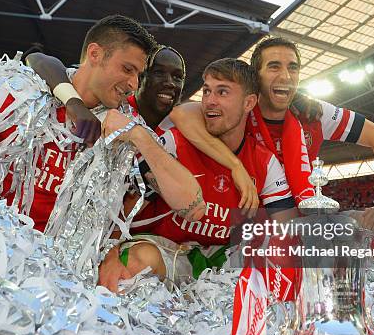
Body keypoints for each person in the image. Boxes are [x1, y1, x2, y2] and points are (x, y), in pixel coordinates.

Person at [0, 15, 202, 232]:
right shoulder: (17, 98)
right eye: (127, 69)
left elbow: (192, 206)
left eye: (138, 75)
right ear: (95, 54)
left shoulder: (123, 128)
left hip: (50, 287)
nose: (134, 84)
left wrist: (139, 137)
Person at [98, 59, 298, 292]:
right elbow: (127, 205)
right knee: (134, 265)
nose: (210, 101)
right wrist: (112, 252)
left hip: (223, 257)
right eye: (206, 91)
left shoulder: (264, 161)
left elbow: (287, 229)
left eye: (222, 92)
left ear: (249, 102)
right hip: (168, 250)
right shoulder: (174, 143)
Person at [168, 37, 374, 233]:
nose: (286, 76)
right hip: (254, 222)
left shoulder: (314, 113)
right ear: (256, 76)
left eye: (293, 67)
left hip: (308, 217)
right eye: (274, 67)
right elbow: (183, 115)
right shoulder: (239, 109)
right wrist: (235, 166)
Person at [27, 46, 259, 216]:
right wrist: (74, 103)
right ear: (140, 78)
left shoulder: (170, 125)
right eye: (159, 73)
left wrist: (235, 166)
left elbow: (182, 114)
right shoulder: (111, 105)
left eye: (178, 78)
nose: (170, 82)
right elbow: (38, 58)